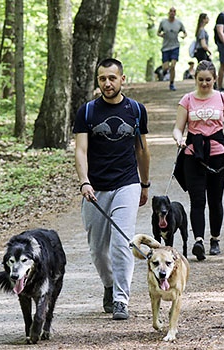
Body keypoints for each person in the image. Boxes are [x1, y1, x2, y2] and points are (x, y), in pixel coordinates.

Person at [74, 58, 151, 320]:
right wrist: (84, 181)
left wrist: (144, 183)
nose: (107, 83)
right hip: (95, 188)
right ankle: (109, 285)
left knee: (122, 241)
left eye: (112, 78)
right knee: (97, 249)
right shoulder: (87, 112)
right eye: (102, 79)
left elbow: (142, 150)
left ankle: (121, 298)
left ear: (122, 79)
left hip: (127, 184)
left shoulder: (136, 110)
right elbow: (81, 150)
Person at [172, 60, 224, 260]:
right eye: (201, 80)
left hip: (219, 154)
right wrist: (179, 139)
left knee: (215, 199)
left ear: (214, 79)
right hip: (193, 155)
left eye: (208, 80)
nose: (204, 84)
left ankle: (215, 239)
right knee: (197, 200)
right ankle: (199, 241)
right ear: (195, 79)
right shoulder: (187, 99)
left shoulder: (221, 98)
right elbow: (178, 127)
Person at [158, 7, 187, 91]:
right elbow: (158, 32)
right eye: (171, 11)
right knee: (166, 67)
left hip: (175, 46)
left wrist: (183, 36)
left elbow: (185, 33)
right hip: (165, 47)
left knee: (173, 66)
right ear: (168, 12)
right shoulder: (163, 22)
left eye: (174, 11)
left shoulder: (179, 23)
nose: (172, 13)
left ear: (175, 13)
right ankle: (164, 71)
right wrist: (161, 35)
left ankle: (171, 83)